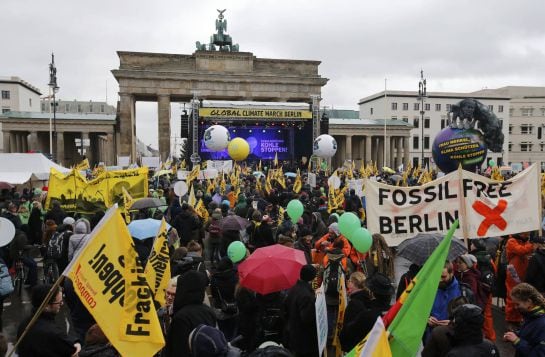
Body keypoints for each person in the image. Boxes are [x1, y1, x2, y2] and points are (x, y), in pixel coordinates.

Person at [16, 284, 81, 356]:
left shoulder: (23, 325)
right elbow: (72, 351)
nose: (62, 304)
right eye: (59, 302)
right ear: (46, 306)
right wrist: (77, 345)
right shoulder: (54, 333)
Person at [164, 270, 217, 357]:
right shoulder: (209, 311)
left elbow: (179, 350)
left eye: (173, 294)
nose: (169, 297)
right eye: (168, 293)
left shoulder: (181, 317)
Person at [284, 264, 318, 357]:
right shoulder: (307, 295)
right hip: (304, 338)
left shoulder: (293, 288)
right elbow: (307, 318)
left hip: (293, 331)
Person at [503, 282, 545, 356]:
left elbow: (539, 354)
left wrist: (517, 341)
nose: (515, 307)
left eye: (517, 304)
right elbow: (531, 334)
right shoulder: (531, 315)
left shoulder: (542, 323)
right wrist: (515, 334)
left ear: (529, 302)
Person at [426, 261, 461, 342]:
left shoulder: (462, 291)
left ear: (452, 273)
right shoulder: (429, 288)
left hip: (451, 339)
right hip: (430, 338)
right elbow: (419, 310)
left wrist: (453, 323)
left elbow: (468, 319)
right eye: (438, 276)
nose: (439, 280)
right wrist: (427, 319)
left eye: (443, 277)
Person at [505, 233, 534, 328]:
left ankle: (519, 318)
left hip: (522, 271)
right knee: (513, 294)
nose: (527, 234)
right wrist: (532, 244)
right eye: (526, 233)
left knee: (522, 295)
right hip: (514, 271)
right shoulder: (511, 241)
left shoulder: (523, 241)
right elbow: (521, 250)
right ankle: (511, 320)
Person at [339, 272, 373, 352]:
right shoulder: (366, 298)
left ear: (354, 284)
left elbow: (349, 326)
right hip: (364, 344)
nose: (348, 283)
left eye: (349, 281)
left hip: (354, 346)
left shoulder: (354, 303)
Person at [210, 257, 239, 341]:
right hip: (234, 308)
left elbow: (214, 294)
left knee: (223, 333)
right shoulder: (235, 276)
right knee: (233, 331)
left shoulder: (215, 278)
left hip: (220, 309)